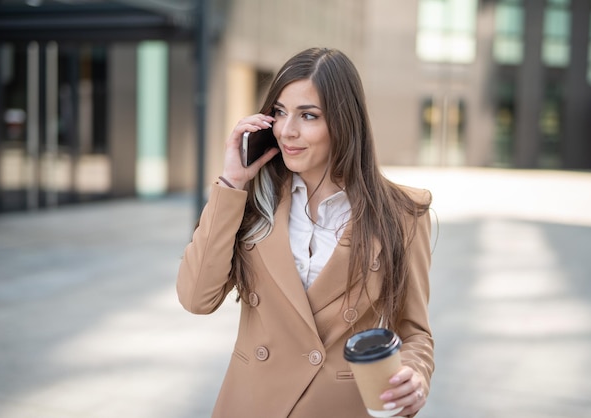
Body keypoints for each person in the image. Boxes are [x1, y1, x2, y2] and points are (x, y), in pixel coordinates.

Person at [176, 47, 434, 418]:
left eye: (308, 115)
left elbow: (415, 332)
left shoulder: (402, 213)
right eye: (279, 113)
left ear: (344, 123)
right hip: (251, 404)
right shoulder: (251, 196)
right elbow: (195, 297)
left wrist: (415, 374)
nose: (286, 131)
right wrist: (231, 183)